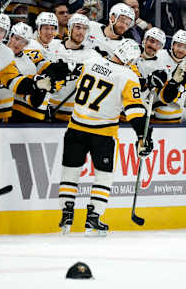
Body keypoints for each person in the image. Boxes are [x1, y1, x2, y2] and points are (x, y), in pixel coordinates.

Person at [58, 38, 152, 236]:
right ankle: (93, 218)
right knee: (104, 175)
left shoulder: (91, 61)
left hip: (75, 128)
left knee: (70, 172)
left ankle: (66, 214)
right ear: (132, 60)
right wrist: (143, 135)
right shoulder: (128, 75)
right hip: (103, 134)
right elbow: (135, 111)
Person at [47, 13, 101, 122]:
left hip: (78, 114)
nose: (81, 32)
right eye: (78, 27)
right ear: (69, 28)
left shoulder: (93, 56)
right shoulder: (52, 46)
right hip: (50, 110)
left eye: (85, 28)